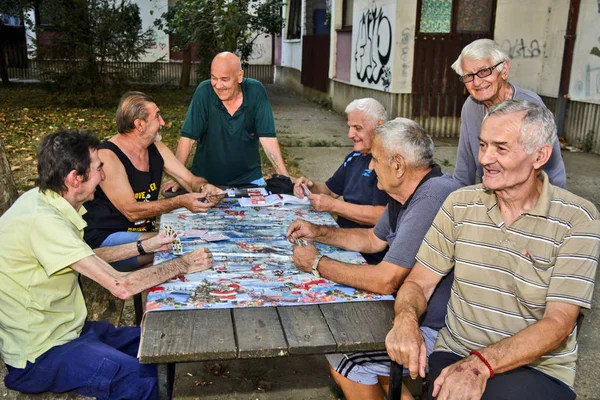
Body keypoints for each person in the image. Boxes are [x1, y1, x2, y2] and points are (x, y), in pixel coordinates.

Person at [386, 100, 599, 400]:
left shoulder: (577, 218)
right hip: (458, 352)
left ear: (540, 155)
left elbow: (559, 323)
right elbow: (418, 283)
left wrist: (482, 364)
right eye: (483, 144)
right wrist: (406, 319)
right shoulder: (460, 204)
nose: (485, 158)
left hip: (538, 367)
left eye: (501, 148)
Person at [0, 129, 214, 399]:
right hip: (40, 355)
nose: (103, 174)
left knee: (164, 346)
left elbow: (86, 257)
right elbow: (121, 286)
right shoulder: (43, 221)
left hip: (70, 331)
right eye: (98, 168)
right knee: (145, 381)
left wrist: (145, 245)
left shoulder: (47, 201)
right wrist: (182, 264)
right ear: (75, 178)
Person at [286, 118, 462, 400]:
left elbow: (386, 280)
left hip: (439, 330)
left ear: (398, 165)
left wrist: (317, 264)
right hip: (416, 314)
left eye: (376, 159)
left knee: (348, 361)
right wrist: (318, 231)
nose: (370, 166)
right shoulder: (408, 191)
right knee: (349, 346)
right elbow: (372, 240)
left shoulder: (432, 197)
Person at [83, 91, 221, 272]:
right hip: (107, 240)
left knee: (186, 246)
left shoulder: (156, 148)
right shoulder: (108, 156)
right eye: (157, 116)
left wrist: (204, 187)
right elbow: (131, 211)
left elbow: (189, 179)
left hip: (145, 238)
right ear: (139, 124)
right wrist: (179, 202)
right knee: (181, 248)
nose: (163, 122)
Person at [164, 51, 290, 189]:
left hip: (250, 181)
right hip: (206, 182)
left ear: (239, 76)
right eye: (214, 78)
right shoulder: (204, 92)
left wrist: (285, 178)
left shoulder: (256, 91)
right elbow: (187, 139)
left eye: (224, 79)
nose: (218, 86)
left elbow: (268, 139)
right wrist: (179, 177)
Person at [452, 38, 567, 189]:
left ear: (504, 70)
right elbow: (464, 166)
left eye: (484, 71)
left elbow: (553, 169)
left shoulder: (531, 106)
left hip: (527, 199)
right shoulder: (471, 107)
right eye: (469, 76)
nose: (476, 82)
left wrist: (553, 208)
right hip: (491, 195)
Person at [292, 98, 390, 264]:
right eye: (349, 127)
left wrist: (333, 206)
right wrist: (309, 186)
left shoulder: (386, 164)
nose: (350, 134)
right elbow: (330, 190)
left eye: (357, 128)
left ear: (379, 126)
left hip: (368, 254)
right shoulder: (355, 157)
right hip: (341, 240)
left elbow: (381, 216)